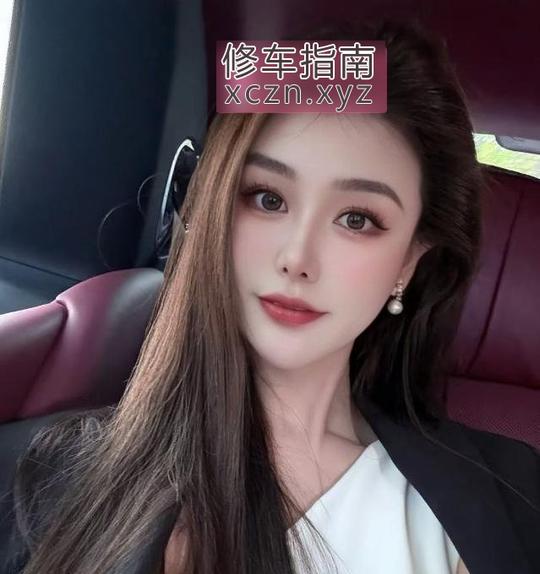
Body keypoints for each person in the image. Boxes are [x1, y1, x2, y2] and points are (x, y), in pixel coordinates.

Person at [1, 17, 539, 574]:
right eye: (266, 198)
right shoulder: (40, 479)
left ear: (409, 260)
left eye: (357, 219)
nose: (297, 258)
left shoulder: (510, 499)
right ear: (214, 205)